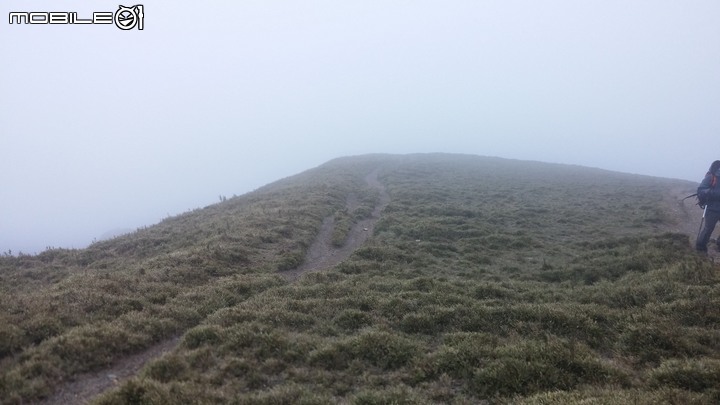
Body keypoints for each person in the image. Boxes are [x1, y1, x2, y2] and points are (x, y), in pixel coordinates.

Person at [695, 160, 720, 253]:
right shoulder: (711, 177)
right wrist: (714, 193)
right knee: (708, 228)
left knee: (708, 228)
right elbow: (701, 190)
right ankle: (700, 248)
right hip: (712, 208)